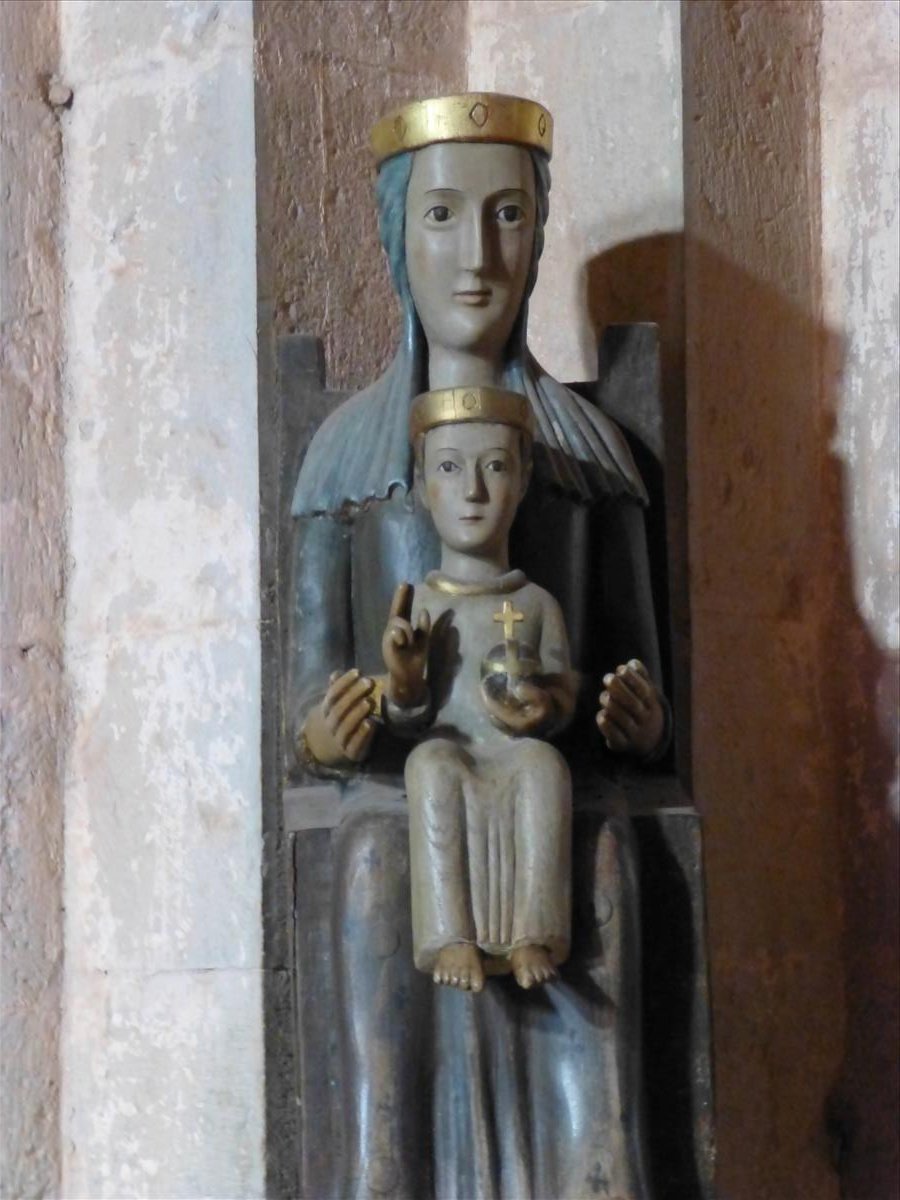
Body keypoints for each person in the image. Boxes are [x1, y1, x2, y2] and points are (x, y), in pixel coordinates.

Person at [288, 94, 665, 1199]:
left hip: (550, 776)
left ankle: (598, 1167)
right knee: (375, 863)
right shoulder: (344, 463)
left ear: (540, 234)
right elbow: (308, 697)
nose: (478, 255)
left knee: (600, 852)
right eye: (443, 215)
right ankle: (383, 1170)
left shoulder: (591, 458)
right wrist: (328, 725)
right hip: (402, 789)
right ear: (395, 233)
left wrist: (635, 719)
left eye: (508, 215)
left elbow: (637, 678)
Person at [382, 387, 574, 993]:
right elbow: (407, 717)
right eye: (448, 467)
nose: (473, 491)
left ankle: (532, 934)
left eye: (494, 466)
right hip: (451, 752)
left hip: (514, 754)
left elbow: (563, 692)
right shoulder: (424, 603)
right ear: (421, 485)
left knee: (544, 766)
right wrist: (406, 678)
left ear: (523, 479)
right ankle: (451, 938)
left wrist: (545, 707)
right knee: (430, 764)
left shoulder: (537, 604)